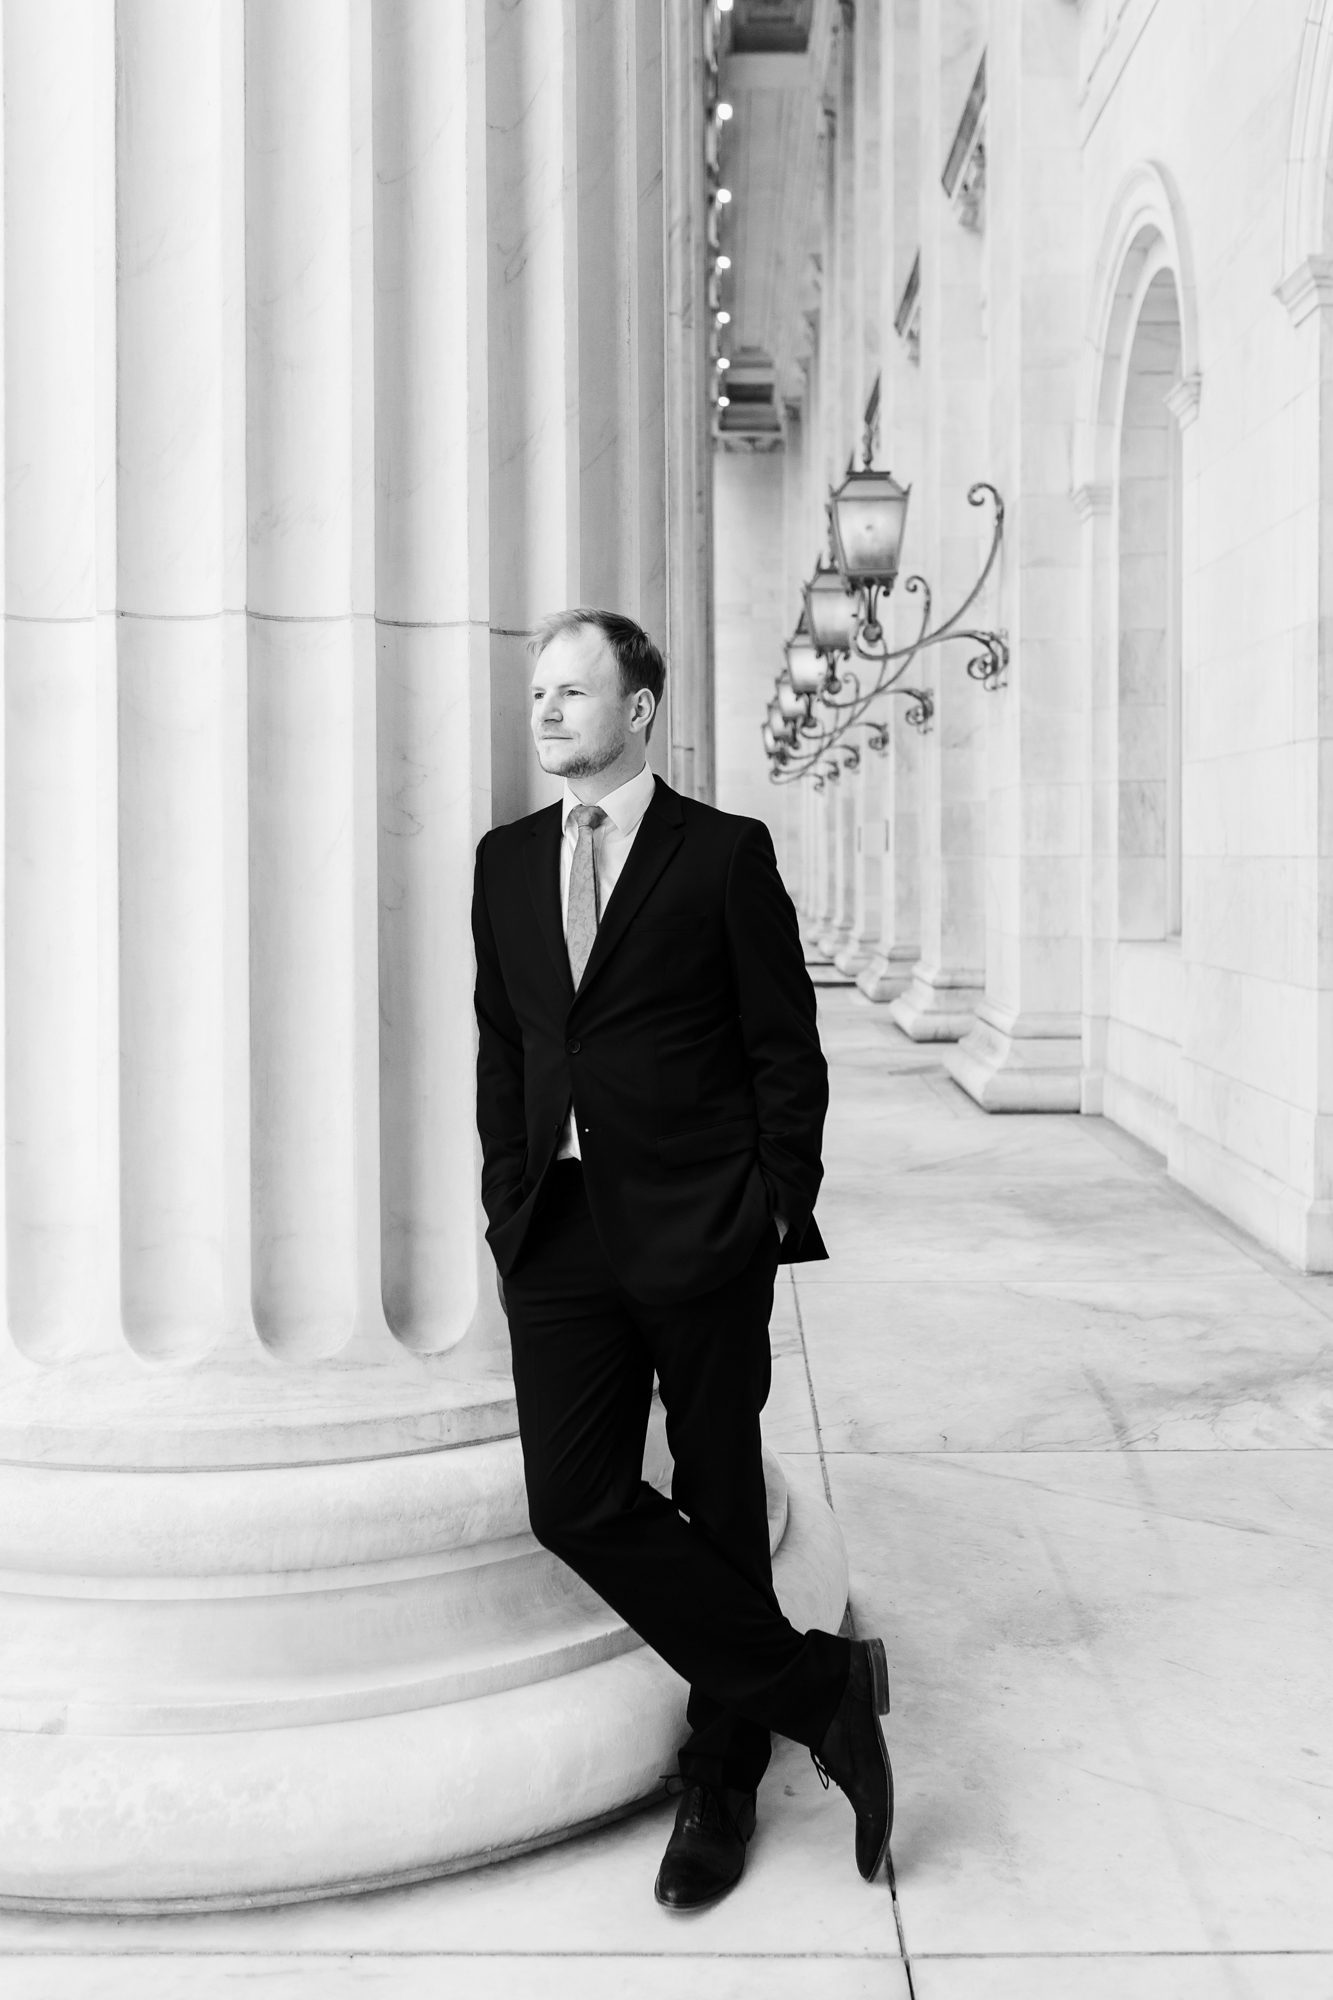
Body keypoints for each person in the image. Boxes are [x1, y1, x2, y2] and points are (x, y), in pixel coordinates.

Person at [471, 606, 893, 1911]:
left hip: (703, 1226)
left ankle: (719, 1770)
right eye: (537, 692)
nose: (545, 712)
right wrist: (505, 1196)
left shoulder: (721, 854)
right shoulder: (501, 862)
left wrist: (772, 1206)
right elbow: (507, 1043)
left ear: (638, 710)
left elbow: (785, 1045)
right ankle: (813, 1685)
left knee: (718, 1497)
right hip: (560, 1230)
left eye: (571, 691)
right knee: (575, 1498)